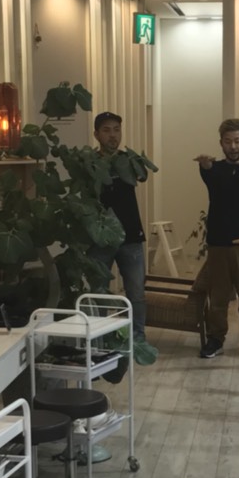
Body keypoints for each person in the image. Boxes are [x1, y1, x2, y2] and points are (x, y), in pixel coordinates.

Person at [193, 118, 239, 359]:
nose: (233, 146)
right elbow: (211, 177)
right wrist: (205, 166)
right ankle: (216, 338)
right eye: (228, 141)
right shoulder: (214, 169)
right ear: (221, 143)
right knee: (218, 296)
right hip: (218, 243)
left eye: (237, 141)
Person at [91, 111, 158, 365]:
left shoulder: (128, 161)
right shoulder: (88, 163)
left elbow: (143, 175)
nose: (112, 135)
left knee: (136, 293)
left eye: (116, 130)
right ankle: (99, 341)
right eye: (106, 130)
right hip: (100, 238)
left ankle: (137, 339)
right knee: (99, 292)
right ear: (96, 134)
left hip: (131, 236)